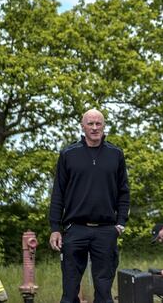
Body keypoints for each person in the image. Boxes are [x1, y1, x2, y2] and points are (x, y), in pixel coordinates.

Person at [48, 109, 130, 303]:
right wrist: (55, 228)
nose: (94, 128)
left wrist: (120, 223)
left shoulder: (116, 154)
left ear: (104, 125)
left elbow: (124, 191)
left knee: (103, 291)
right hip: (75, 230)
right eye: (90, 124)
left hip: (106, 231)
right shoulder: (68, 154)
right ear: (82, 126)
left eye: (98, 123)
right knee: (69, 292)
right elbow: (58, 193)